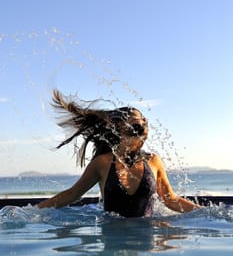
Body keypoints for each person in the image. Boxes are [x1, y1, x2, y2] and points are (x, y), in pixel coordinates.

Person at [37, 89, 200, 216]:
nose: (144, 123)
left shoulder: (153, 161)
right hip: (112, 238)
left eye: (144, 121)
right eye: (137, 121)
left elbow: (171, 200)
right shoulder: (102, 163)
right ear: (119, 128)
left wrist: (204, 212)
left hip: (147, 238)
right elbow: (72, 194)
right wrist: (33, 211)